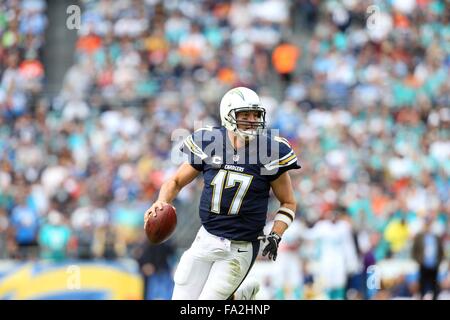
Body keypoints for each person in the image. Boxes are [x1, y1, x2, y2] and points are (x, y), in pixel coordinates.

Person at [144, 87, 301, 300]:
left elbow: (288, 202)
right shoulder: (211, 142)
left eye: (255, 115)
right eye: (244, 115)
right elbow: (176, 181)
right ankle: (238, 298)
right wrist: (161, 202)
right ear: (228, 115)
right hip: (206, 237)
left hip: (240, 246)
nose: (252, 120)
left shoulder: (269, 152)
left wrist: (276, 233)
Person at [412, 216, 444, 300]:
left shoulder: (436, 237)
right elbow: (414, 250)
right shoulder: (419, 237)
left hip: (434, 265)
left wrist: (439, 261)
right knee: (422, 285)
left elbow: (441, 250)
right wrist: (419, 260)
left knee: (434, 285)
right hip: (423, 264)